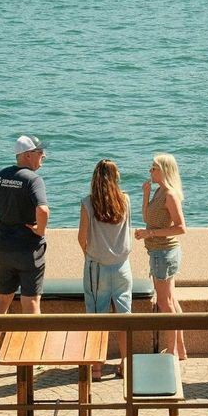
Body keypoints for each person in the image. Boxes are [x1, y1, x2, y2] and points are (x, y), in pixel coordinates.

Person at [0, 134, 50, 355]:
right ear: (27, 155)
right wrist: (40, 231)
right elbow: (43, 210)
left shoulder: (0, 176)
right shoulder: (33, 179)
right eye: (40, 153)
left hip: (4, 246)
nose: (44, 156)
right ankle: (33, 355)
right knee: (31, 301)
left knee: (2, 297)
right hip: (28, 249)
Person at [77, 159, 134, 380]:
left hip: (97, 267)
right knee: (124, 317)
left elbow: (82, 237)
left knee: (96, 317)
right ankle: (125, 363)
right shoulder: (126, 200)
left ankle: (97, 367)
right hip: (122, 267)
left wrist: (89, 256)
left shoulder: (87, 203)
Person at [133, 153, 188, 361]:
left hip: (164, 253)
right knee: (171, 300)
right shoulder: (158, 192)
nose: (150, 171)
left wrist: (151, 234)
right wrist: (145, 195)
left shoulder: (170, 195)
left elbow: (181, 228)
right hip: (158, 252)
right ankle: (181, 350)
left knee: (165, 303)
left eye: (153, 168)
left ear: (164, 170)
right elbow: (148, 218)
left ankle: (172, 351)